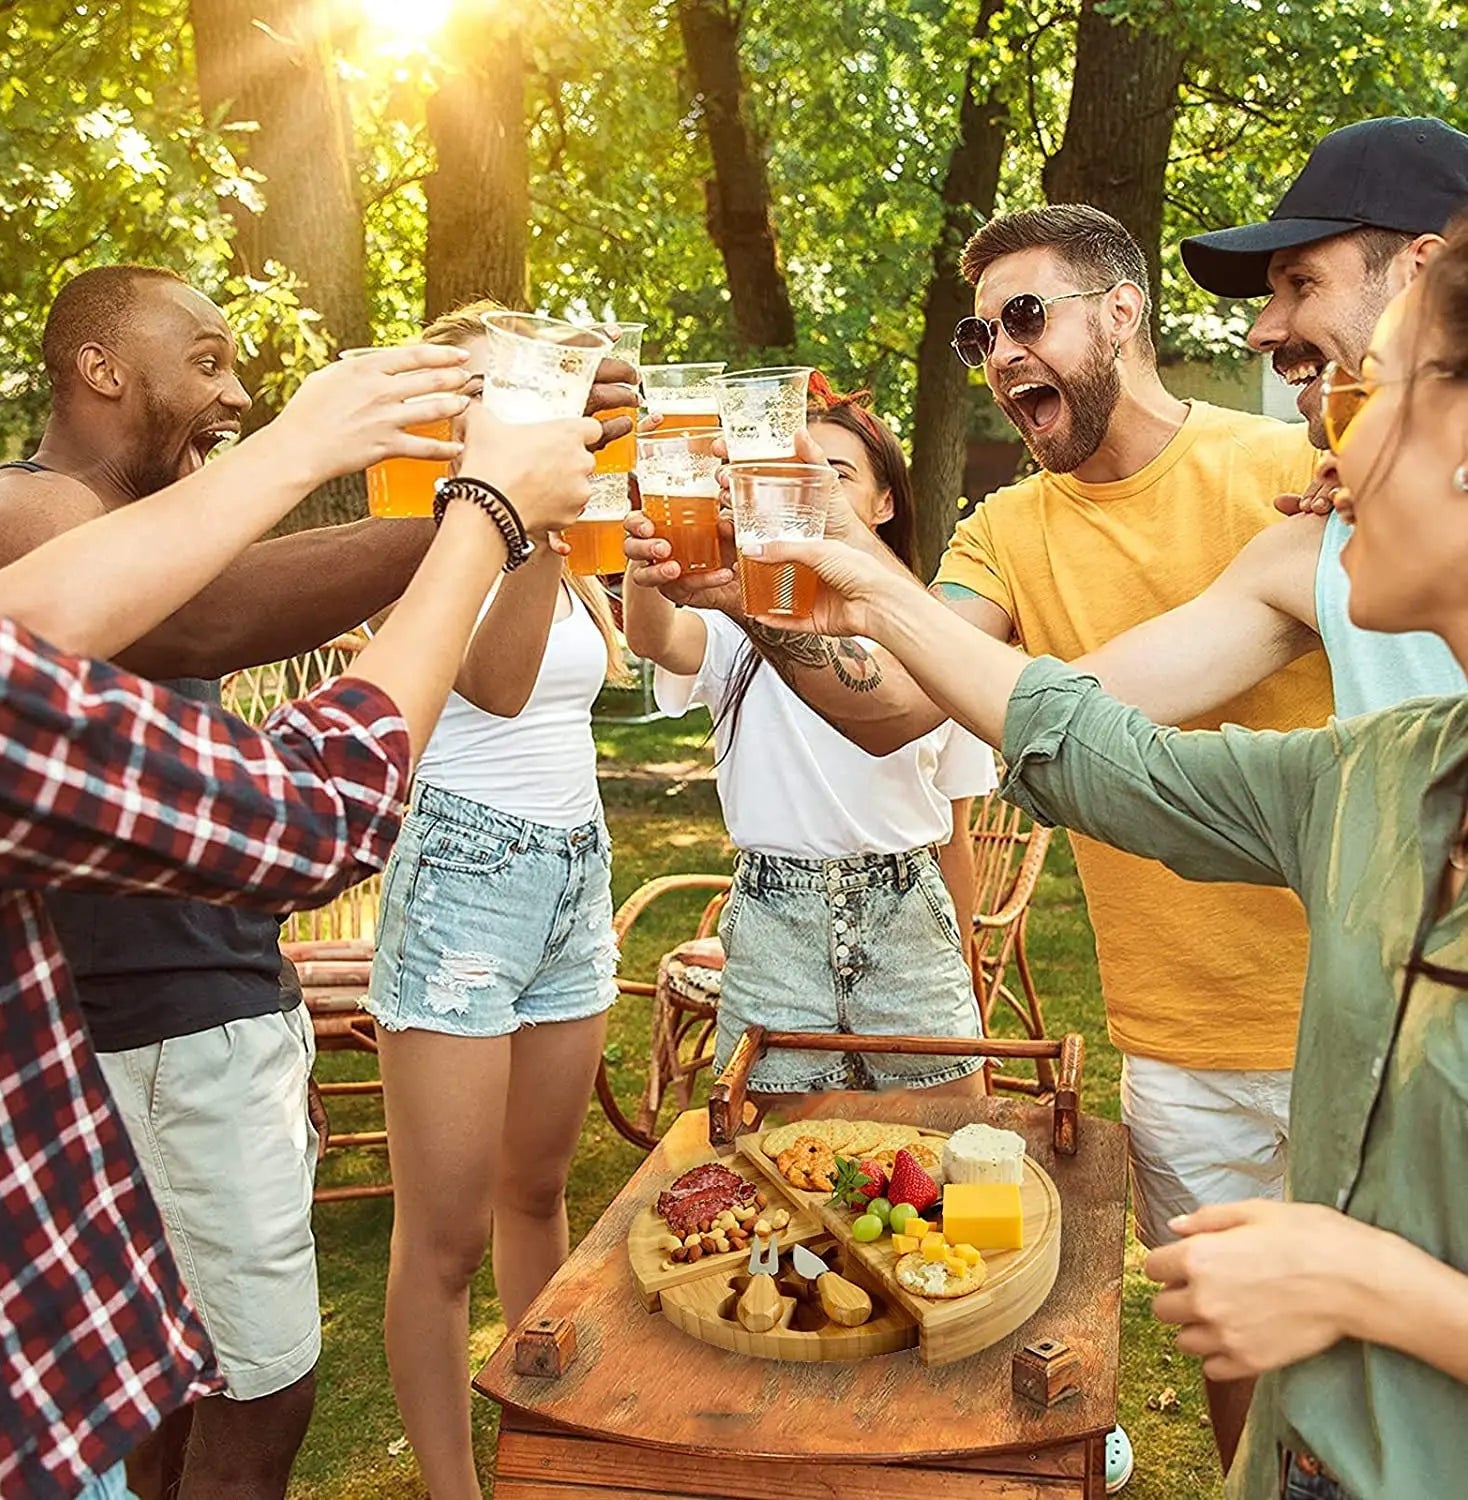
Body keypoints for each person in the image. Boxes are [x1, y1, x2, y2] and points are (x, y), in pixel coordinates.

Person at [742, 212, 1468, 1500]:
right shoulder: (1380, 776)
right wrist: (848, 591)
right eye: (983, 333)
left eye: (1360, 400)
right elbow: (1097, 749)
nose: (1327, 449)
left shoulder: (1288, 531)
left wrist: (1378, 1288)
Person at [628, 206, 1330, 1464]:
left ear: (1122, 311)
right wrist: (757, 603)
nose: (1000, 353)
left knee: (1393, 1363)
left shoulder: (1285, 474)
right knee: (1245, 1360)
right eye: (978, 331)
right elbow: (892, 704)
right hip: (1173, 1036)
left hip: (1347, 1007)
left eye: (1026, 315)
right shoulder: (1003, 531)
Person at [0, 267, 632, 1500]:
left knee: (165, 1386)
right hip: (148, 1024)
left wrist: (507, 499)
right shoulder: (22, 510)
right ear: (101, 367)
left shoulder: (118, 528)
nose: (238, 388)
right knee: (258, 1393)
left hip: (211, 998)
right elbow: (223, 656)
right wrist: (478, 503)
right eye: (207, 361)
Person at [360, 302, 634, 1500]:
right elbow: (501, 685)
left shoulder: (554, 531)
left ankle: (549, 1442)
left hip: (574, 867)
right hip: (465, 872)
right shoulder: (413, 531)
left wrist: (614, 477)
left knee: (537, 1192)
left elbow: (631, 661)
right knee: (444, 1238)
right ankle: (452, 1489)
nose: (521, 406)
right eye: (495, 389)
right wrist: (539, 518)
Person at [624, 378, 996, 1101]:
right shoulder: (741, 626)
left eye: (834, 474)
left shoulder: (938, 644)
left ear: (885, 504)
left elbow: (955, 833)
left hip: (908, 912)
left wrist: (966, 965)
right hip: (774, 919)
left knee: (946, 1156)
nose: (804, 487)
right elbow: (659, 638)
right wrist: (649, 565)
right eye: (786, 472)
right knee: (778, 1167)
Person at [1080, 116, 1468, 723]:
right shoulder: (1330, 541)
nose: (1262, 330)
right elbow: (1067, 711)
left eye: (1302, 283)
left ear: (1421, 278)